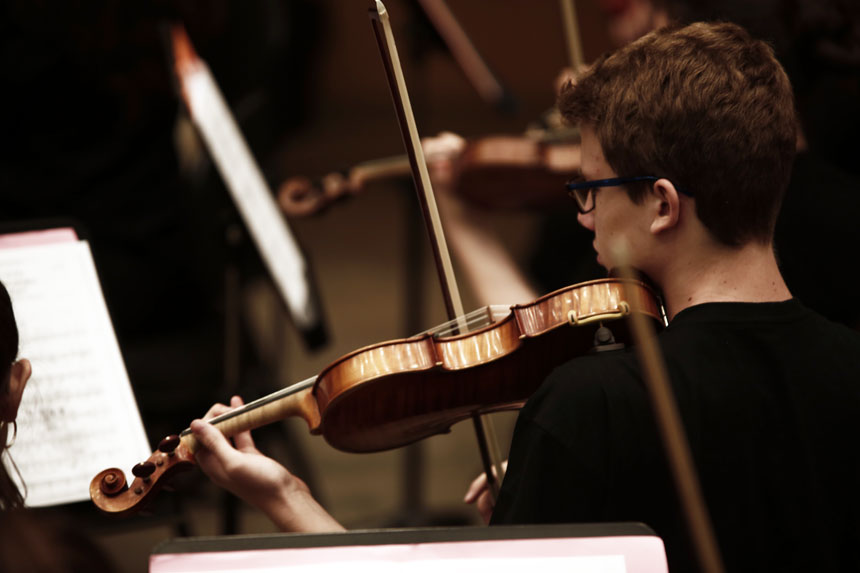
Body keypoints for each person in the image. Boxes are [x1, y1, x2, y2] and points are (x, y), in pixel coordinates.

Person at [191, 21, 860, 570]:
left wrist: (287, 497)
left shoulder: (592, 405)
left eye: (590, 188)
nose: (582, 215)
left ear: (661, 204)